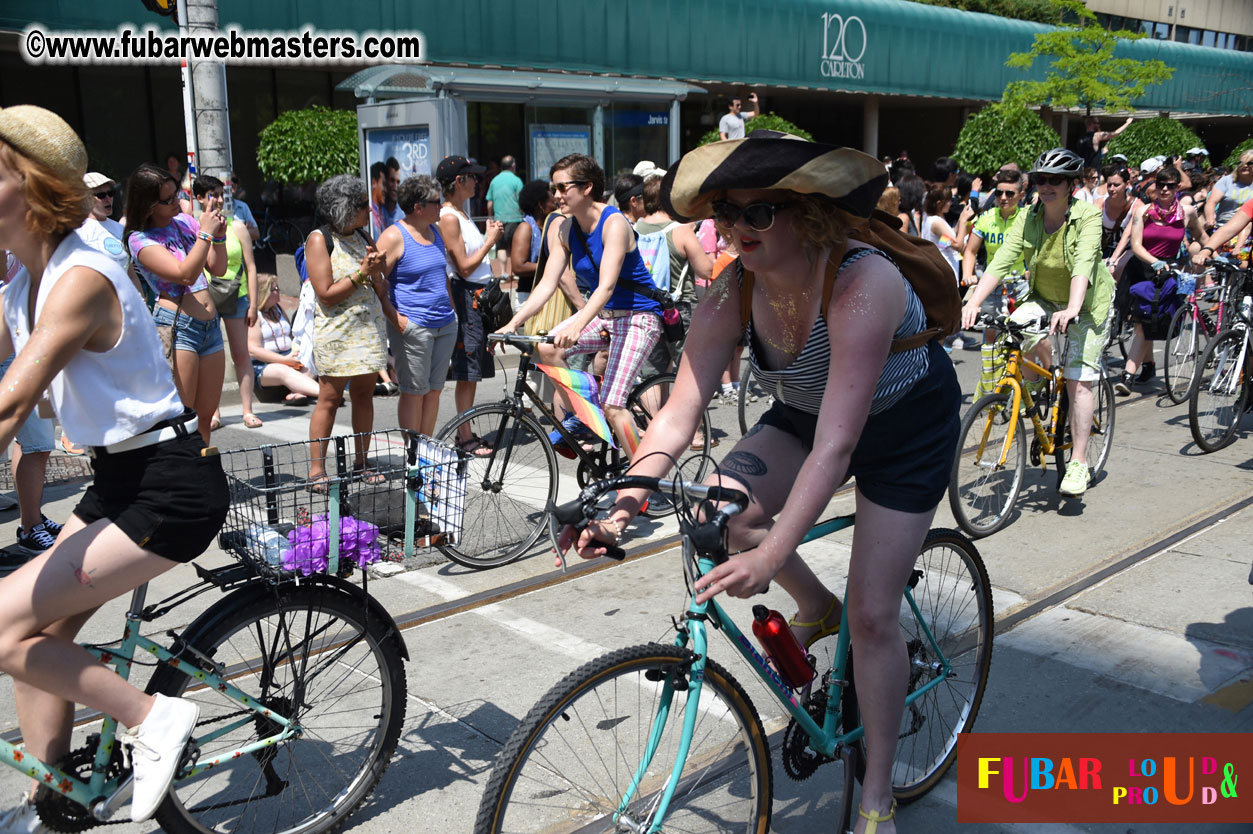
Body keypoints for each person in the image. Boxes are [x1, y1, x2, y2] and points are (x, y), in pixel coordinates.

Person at [559, 131, 961, 834]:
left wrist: (772, 556)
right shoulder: (730, 293)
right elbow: (677, 414)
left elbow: (839, 447)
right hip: (808, 412)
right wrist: (621, 509)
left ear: (806, 214)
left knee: (873, 616)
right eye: (724, 213)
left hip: (902, 426)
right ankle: (815, 604)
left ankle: (876, 797)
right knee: (721, 514)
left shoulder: (862, 280)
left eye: (757, 214)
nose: (735, 229)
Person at [0, 104, 228, 830]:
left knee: (0, 631)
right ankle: (55, 800)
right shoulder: (23, 276)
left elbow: (10, 408)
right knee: (42, 638)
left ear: (33, 187)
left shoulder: (81, 278)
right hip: (119, 481)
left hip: (168, 486)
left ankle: (155, 716)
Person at [962, 148, 1116, 498]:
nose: (1047, 186)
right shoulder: (1029, 216)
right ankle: (1029, 385)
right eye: (1041, 179)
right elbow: (1002, 259)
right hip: (1045, 297)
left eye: (1055, 180)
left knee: (1079, 380)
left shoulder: (1088, 217)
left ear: (1071, 185)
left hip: (1088, 303)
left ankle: (1077, 462)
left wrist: (1073, 307)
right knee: (1013, 329)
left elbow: (1084, 263)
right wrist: (972, 303)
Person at [500, 154, 663, 453]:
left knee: (615, 406)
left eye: (563, 188)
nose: (556, 196)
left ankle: (646, 483)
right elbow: (548, 283)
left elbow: (606, 286)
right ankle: (587, 414)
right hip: (605, 315)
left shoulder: (614, 223)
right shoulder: (564, 228)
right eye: (554, 189)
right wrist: (513, 322)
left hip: (639, 316)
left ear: (587, 187)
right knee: (547, 347)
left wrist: (577, 324)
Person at [124, 163, 228, 445]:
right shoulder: (139, 240)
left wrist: (218, 236)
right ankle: (187, 479)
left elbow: (217, 268)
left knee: (206, 414)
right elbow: (185, 274)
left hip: (210, 326)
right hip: (179, 328)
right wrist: (206, 234)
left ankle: (203, 477)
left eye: (176, 196)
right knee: (185, 415)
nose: (176, 203)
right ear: (147, 205)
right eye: (167, 199)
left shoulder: (185, 222)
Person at [304, 174, 391, 487]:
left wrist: (378, 272)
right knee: (329, 399)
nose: (368, 210)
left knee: (365, 396)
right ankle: (317, 470)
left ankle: (362, 462)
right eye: (362, 205)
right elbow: (325, 293)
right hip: (337, 333)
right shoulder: (319, 239)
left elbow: (377, 282)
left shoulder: (363, 235)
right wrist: (362, 273)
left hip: (367, 329)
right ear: (343, 208)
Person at [376, 175, 457, 437]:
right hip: (414, 326)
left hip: (444, 323)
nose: (442, 206)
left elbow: (441, 275)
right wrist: (396, 319)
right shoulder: (393, 236)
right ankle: (413, 456)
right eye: (437, 201)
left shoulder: (435, 231)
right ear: (418, 207)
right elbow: (376, 283)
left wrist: (453, 311)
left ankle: (425, 450)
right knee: (414, 393)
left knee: (434, 391)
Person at [1116, 165, 1206, 395]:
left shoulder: (1187, 212)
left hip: (1168, 273)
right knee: (1142, 323)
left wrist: (1206, 251)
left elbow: (1202, 236)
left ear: (1177, 188)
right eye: (1161, 184)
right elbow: (1135, 245)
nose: (1165, 189)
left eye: (1170, 185)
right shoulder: (1143, 211)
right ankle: (1130, 375)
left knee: (1149, 322)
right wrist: (1154, 261)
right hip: (1143, 269)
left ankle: (1144, 368)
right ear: (1155, 186)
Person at [437, 155, 503, 454]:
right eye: (473, 178)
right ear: (459, 182)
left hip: (477, 296)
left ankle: (466, 431)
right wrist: (490, 241)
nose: (478, 182)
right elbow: (462, 267)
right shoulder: (449, 217)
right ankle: (464, 436)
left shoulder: (461, 214)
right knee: (467, 372)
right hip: (467, 297)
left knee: (473, 371)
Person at [193, 175, 261, 429]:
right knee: (210, 356)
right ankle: (214, 412)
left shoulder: (237, 226)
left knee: (241, 354)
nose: (219, 199)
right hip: (204, 297)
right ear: (199, 198)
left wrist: (254, 304)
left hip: (237, 295)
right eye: (212, 194)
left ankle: (247, 410)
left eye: (222, 194)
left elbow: (251, 267)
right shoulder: (191, 226)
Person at [248, 274, 320, 402]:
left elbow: (291, 335)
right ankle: (328, 396)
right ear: (263, 293)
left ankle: (297, 393)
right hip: (264, 366)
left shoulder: (278, 309)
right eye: (274, 289)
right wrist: (284, 360)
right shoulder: (255, 315)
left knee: (312, 356)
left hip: (288, 356)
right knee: (282, 370)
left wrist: (297, 352)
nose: (278, 292)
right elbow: (253, 350)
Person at [510, 179, 556, 309]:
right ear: (540, 205)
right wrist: (554, 266)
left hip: (546, 296)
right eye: (551, 195)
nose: (555, 200)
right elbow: (518, 266)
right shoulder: (526, 228)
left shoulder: (550, 226)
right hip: (529, 299)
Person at [485, 154, 525, 269]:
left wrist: (490, 217)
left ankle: (503, 272)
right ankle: (515, 271)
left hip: (499, 219)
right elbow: (521, 200)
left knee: (501, 246)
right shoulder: (517, 180)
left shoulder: (494, 180)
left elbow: (489, 203)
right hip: (515, 218)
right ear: (513, 166)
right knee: (514, 246)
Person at [1203, 149, 1253, 233]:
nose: (1244, 166)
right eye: (1241, 163)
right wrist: (1210, 218)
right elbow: (1212, 202)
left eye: (1249, 163)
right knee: (1195, 246)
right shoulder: (1226, 181)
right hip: (1224, 225)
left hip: (1248, 227)